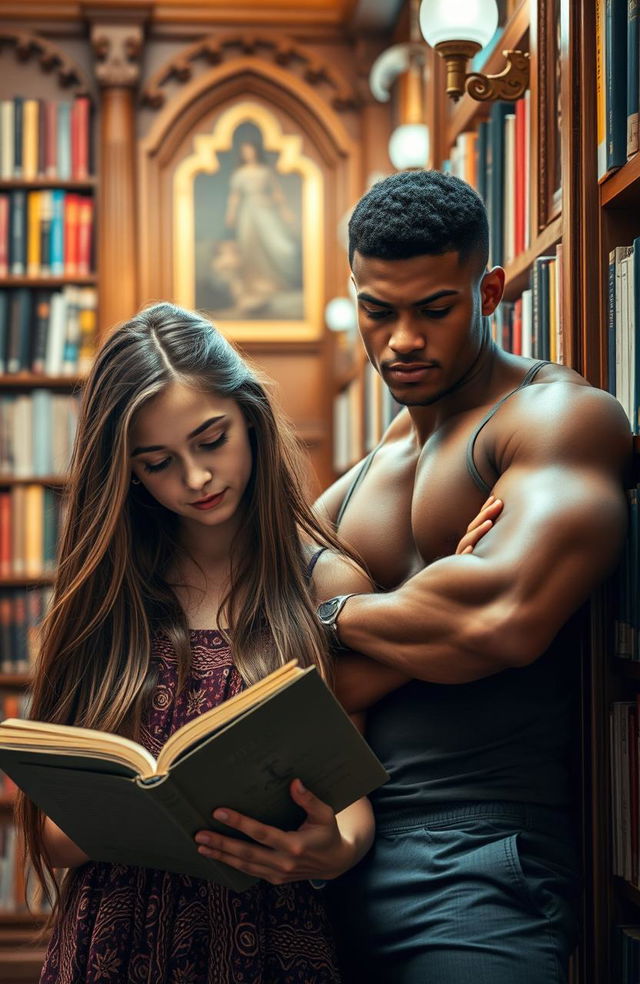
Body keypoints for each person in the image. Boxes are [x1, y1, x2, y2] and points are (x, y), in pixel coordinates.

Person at [201, 170, 632, 983]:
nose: (402, 339)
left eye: (434, 309)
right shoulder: (351, 486)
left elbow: (498, 621)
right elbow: (272, 670)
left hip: (475, 861)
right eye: (379, 310)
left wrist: (335, 617)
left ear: (489, 291)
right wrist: (433, 594)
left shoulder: (555, 418)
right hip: (323, 855)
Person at [19, 299, 500, 983]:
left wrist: (333, 851)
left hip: (268, 938)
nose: (196, 478)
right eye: (157, 463)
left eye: (211, 440)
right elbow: (46, 830)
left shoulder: (323, 579)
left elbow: (347, 790)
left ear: (249, 416)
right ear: (126, 471)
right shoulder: (107, 593)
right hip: (112, 942)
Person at [224, 140, 302, 317]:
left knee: (278, 245)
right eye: (244, 151)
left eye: (250, 150)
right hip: (247, 213)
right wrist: (231, 215)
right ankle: (253, 285)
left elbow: (276, 194)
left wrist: (286, 212)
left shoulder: (264, 172)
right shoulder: (240, 174)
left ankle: (273, 283)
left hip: (264, 209)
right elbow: (234, 197)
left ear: (255, 151)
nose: (248, 154)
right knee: (249, 246)